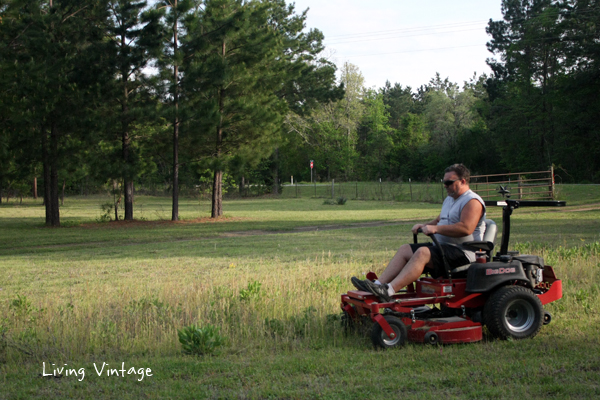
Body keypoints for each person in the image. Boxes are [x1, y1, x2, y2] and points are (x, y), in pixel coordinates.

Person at [351, 164, 486, 302]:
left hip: (464, 253)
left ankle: (388, 291)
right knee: (405, 249)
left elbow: (466, 228)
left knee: (423, 252)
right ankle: (377, 286)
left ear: (463, 181)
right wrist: (425, 225)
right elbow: (440, 219)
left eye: (448, 182)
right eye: (443, 182)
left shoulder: (472, 201)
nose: (445, 185)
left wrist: (436, 229)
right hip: (444, 248)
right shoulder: (450, 199)